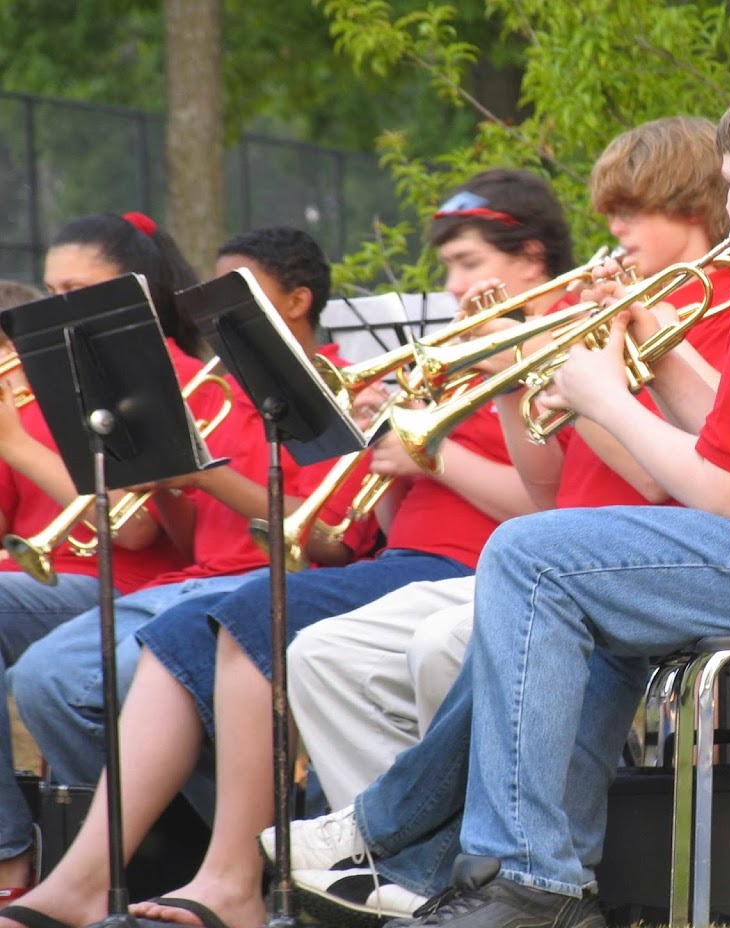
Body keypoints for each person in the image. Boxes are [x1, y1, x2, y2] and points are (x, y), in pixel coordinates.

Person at [266, 71, 730, 928]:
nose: (727, 209)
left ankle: (519, 876)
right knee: (584, 596)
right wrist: (655, 350)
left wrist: (606, 398)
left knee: (532, 556)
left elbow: (725, 492)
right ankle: (473, 864)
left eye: (729, 185)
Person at [0, 169, 568, 928]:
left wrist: (429, 453)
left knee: (239, 618)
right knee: (180, 634)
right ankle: (101, 879)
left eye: (467, 266)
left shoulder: (547, 347)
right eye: (450, 269)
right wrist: (393, 447)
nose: (455, 288)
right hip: (406, 562)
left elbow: (545, 504)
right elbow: (394, 519)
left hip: (469, 569)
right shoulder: (464, 358)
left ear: (531, 257)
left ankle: (237, 878)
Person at [276, 116, 730, 922]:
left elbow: (659, 477)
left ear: (693, 207)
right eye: (610, 220)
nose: (616, 237)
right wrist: (520, 381)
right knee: (321, 650)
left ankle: (451, 866)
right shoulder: (627, 307)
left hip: (633, 560)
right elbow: (551, 483)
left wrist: (554, 367)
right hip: (569, 550)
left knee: (448, 640)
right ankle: (394, 876)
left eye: (630, 215)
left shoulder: (708, 308)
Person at [8, 224, 378, 816]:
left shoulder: (346, 388)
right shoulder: (219, 395)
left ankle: (247, 840)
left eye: (238, 293)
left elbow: (327, 545)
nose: (215, 311)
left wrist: (206, 475)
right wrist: (168, 481)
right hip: (190, 582)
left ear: (296, 300)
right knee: (42, 681)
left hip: (270, 589)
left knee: (83, 680)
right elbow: (186, 540)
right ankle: (168, 847)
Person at [0, 210, 214, 902]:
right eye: (50, 291)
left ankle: (21, 859)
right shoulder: (35, 382)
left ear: (135, 293)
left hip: (129, 586)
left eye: (76, 290)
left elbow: (137, 529)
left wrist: (16, 442)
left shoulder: (165, 376)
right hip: (41, 585)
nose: (58, 308)